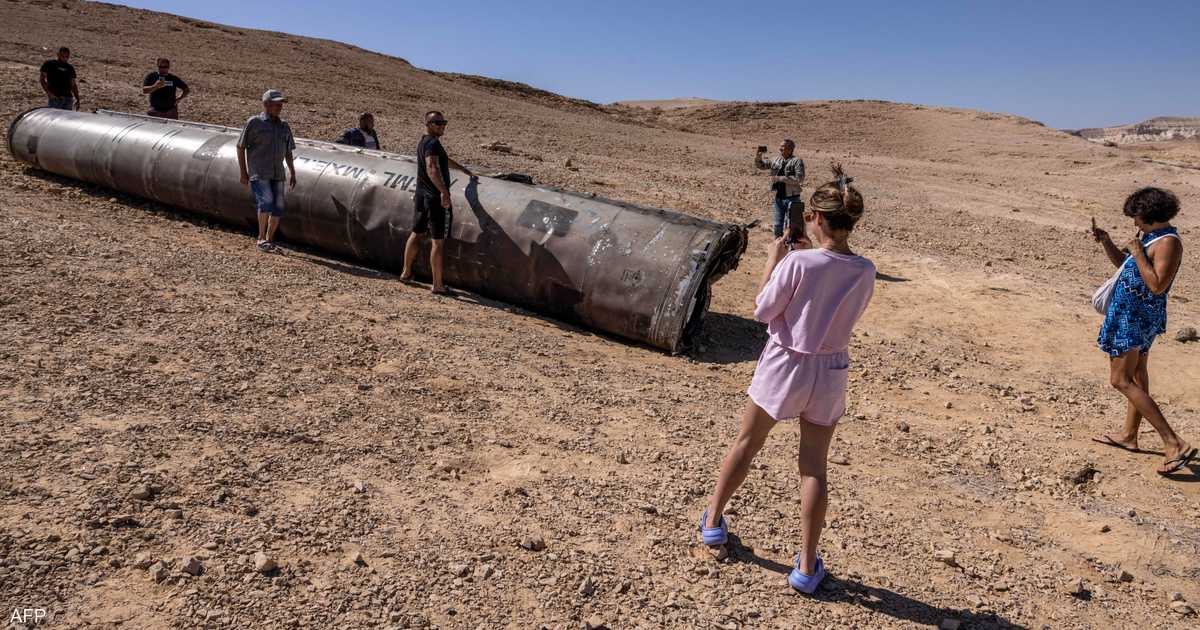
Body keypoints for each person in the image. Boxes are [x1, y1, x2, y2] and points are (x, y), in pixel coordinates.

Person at [699, 164, 874, 595]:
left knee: (747, 442)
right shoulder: (866, 269)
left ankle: (713, 522)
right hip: (830, 369)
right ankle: (807, 566)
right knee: (813, 468)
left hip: (785, 363)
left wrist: (773, 260)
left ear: (816, 218)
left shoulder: (798, 261)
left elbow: (764, 310)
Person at [1091, 187, 1195, 475]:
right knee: (1137, 375)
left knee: (1120, 379)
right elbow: (1126, 267)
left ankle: (1174, 443)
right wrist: (1108, 242)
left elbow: (1157, 284)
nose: (1134, 222)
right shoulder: (1151, 237)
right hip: (1130, 314)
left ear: (1149, 214)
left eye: (1136, 216)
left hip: (1135, 318)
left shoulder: (1168, 242)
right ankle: (1129, 436)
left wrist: (1137, 252)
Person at [400, 111, 475, 295]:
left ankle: (406, 273)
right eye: (438, 123)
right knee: (438, 242)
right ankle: (438, 285)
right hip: (434, 199)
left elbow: (443, 160)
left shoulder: (425, 142)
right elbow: (432, 167)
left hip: (421, 196)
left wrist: (463, 169)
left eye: (444, 122)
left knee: (416, 233)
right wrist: (444, 192)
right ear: (428, 124)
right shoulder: (432, 143)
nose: (442, 126)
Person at [236, 89, 297, 252]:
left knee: (278, 206)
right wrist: (243, 172)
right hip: (259, 171)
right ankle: (261, 238)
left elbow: (288, 151)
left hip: (278, 173)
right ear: (266, 104)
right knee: (266, 201)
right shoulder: (254, 123)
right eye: (276, 104)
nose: (280, 107)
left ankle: (269, 240)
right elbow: (240, 146)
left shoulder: (284, 126)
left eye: (281, 104)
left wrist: (292, 172)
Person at [755, 139, 806, 238]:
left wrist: (781, 178)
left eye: (783, 146)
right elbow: (761, 166)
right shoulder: (775, 160)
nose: (780, 148)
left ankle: (790, 245)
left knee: (791, 225)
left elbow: (800, 178)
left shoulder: (797, 161)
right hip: (779, 198)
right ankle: (778, 243)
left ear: (790, 149)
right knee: (777, 225)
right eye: (780, 146)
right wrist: (758, 156)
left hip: (793, 198)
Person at [39, 47, 79, 111]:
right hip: (56, 98)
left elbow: (73, 84)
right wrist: (49, 93)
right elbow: (42, 79)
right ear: (58, 55)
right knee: (53, 116)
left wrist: (77, 99)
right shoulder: (49, 64)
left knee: (66, 117)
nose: (65, 58)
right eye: (63, 56)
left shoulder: (70, 68)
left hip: (68, 99)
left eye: (67, 57)